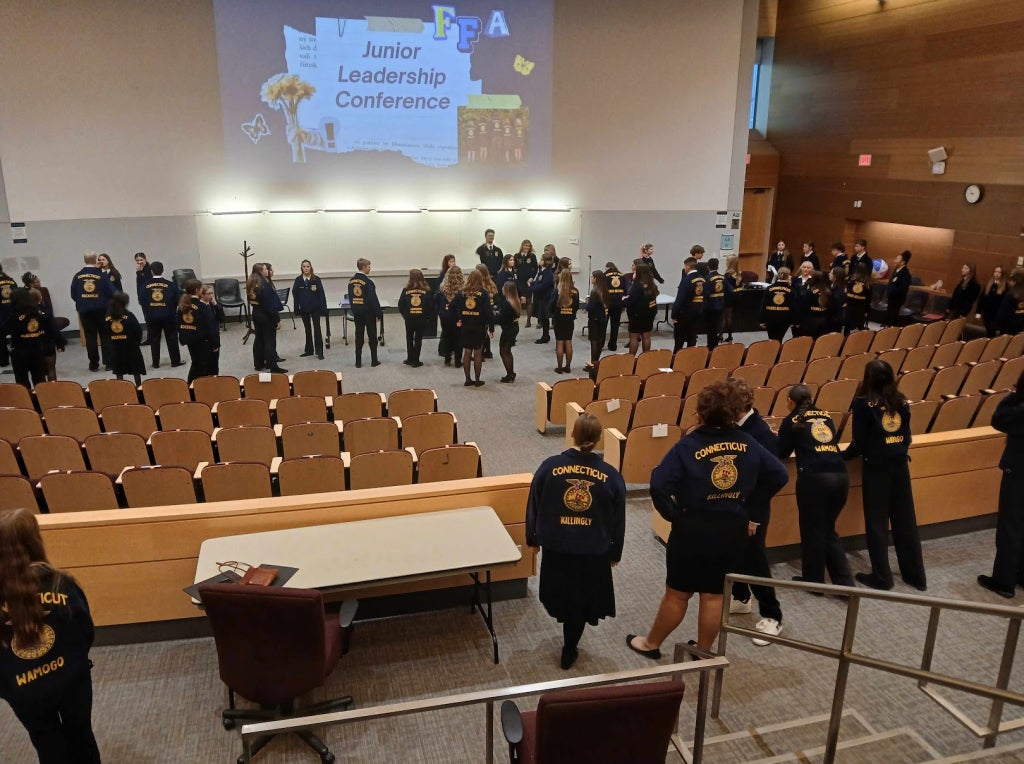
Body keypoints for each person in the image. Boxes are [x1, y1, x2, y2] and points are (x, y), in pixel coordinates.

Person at [626, 381, 788, 658]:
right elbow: (779, 475)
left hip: (693, 530)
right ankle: (703, 652)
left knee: (678, 594)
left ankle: (651, 644)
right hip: (732, 530)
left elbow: (659, 484)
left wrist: (675, 515)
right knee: (714, 595)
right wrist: (748, 506)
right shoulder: (748, 442)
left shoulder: (687, 445)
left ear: (700, 413)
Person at [0, 508, 102, 764]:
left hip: (24, 692)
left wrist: (12, 688)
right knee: (81, 735)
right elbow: (86, 631)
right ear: (35, 541)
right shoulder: (62, 584)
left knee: (47, 744)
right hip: (72, 681)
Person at [527, 414, 626, 669]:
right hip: (593, 552)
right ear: (598, 439)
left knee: (559, 595)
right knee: (581, 602)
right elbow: (618, 519)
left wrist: (532, 537)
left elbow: (534, 503)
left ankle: (569, 642)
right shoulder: (611, 475)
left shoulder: (549, 467)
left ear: (572, 434)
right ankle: (570, 645)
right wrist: (616, 552)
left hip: (557, 547)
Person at [842, 360, 926, 591]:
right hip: (900, 465)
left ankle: (882, 577)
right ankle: (915, 576)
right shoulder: (901, 400)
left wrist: (838, 457)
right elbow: (907, 436)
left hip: (877, 468)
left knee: (877, 523)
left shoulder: (862, 404)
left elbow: (858, 444)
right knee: (905, 521)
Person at [776, 384, 854, 587]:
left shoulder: (791, 420)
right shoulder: (826, 416)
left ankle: (814, 580)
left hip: (815, 479)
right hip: (841, 477)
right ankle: (844, 583)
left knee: (813, 530)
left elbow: (781, 452)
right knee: (828, 529)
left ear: (790, 401)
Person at [727, 379, 785, 646]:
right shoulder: (737, 427)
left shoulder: (759, 434)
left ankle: (773, 616)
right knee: (735, 554)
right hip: (737, 506)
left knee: (756, 561)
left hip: (753, 511)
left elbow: (772, 479)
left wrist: (754, 516)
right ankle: (741, 598)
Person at [978, 369, 1024, 598]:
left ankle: (1004, 581)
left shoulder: (1019, 409)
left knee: (1010, 527)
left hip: (1018, 471)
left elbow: (998, 419)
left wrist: (1018, 395)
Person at [4, 288, 65, 390]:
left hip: (20, 351)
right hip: (37, 349)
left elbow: (5, 330)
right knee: (39, 377)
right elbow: (51, 329)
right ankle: (42, 398)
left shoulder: (14, 316)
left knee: (21, 379)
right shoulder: (40, 312)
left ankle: (26, 400)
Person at [70, 252, 115, 372]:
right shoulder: (101, 275)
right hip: (102, 310)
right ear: (95, 259)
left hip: (85, 311)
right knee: (105, 335)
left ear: (84, 260)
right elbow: (112, 292)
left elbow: (73, 294)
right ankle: (109, 363)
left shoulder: (77, 276)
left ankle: (94, 364)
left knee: (90, 337)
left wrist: (84, 302)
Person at [453, 268, 494, 386]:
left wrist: (458, 318)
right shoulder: (483, 293)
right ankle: (477, 380)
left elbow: (452, 306)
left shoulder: (461, 292)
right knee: (478, 353)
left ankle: (467, 379)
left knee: (467, 352)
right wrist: (491, 327)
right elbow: (488, 312)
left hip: (465, 326)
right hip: (479, 326)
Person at [140, 261, 182, 369]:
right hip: (168, 316)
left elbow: (142, 300)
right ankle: (175, 361)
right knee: (172, 338)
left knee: (154, 339)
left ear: (151, 271)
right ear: (162, 270)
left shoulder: (144, 285)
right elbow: (178, 300)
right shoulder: (171, 285)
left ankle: (155, 363)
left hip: (152, 317)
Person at [177, 279, 219, 383]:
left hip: (190, 340)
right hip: (203, 342)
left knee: (195, 363)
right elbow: (210, 327)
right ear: (197, 290)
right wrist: (215, 344)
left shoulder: (182, 305)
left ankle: (190, 387)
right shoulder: (201, 306)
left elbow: (178, 323)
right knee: (206, 367)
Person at [248, 263, 287, 373]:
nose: (267, 271)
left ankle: (258, 363)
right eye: (265, 269)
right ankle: (272, 365)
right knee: (270, 340)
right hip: (266, 315)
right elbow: (270, 305)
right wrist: (277, 320)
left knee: (259, 339)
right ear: (260, 271)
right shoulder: (264, 284)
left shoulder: (252, 282)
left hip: (256, 313)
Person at [104, 292, 146, 386]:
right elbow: (138, 331)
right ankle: (139, 387)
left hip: (115, 348)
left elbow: (105, 331)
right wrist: (136, 343)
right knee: (136, 370)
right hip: (131, 347)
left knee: (119, 371)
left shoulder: (107, 316)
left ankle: (121, 389)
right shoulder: (129, 316)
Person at [347, 258, 381, 368]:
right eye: (368, 266)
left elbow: (351, 299)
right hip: (369, 314)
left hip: (357, 313)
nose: (370, 268)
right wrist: (378, 314)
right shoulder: (368, 282)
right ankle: (374, 360)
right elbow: (373, 300)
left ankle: (358, 362)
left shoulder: (351, 281)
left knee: (359, 336)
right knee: (372, 337)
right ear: (363, 267)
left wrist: (355, 310)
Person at [292, 259, 327, 360]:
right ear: (301, 268)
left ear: (311, 267)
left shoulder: (316, 279)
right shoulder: (298, 280)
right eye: (304, 266)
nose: (306, 268)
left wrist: (323, 308)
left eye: (308, 266)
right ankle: (309, 350)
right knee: (307, 329)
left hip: (315, 308)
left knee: (317, 329)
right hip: (304, 308)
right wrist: (296, 308)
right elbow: (295, 295)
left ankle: (319, 351)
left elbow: (321, 295)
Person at [398, 269, 432, 368]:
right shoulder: (427, 291)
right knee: (418, 339)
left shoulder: (406, 290)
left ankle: (410, 358)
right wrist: (427, 317)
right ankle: (416, 360)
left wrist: (405, 315)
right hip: (421, 319)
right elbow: (430, 306)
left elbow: (400, 305)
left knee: (409, 338)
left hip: (409, 319)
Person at [625, 261, 659, 355]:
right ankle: (646, 358)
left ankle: (631, 359)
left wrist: (626, 300)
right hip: (650, 312)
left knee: (634, 337)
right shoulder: (651, 284)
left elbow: (632, 301)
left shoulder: (637, 285)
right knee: (646, 336)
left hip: (637, 314)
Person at [550, 270, 580, 374]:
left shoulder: (556, 291)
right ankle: (567, 367)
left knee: (559, 342)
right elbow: (577, 307)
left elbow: (551, 306)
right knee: (568, 341)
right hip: (570, 320)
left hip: (558, 319)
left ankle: (559, 367)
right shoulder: (575, 291)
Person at [436, 266, 464, 367]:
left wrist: (440, 311)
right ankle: (457, 361)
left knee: (446, 337)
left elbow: (435, 300)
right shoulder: (463, 290)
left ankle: (447, 358)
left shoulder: (442, 288)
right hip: (457, 317)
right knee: (458, 338)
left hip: (445, 316)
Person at [703, 258, 731, 351]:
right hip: (720, 306)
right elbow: (730, 290)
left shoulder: (707, 279)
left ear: (708, 267)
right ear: (718, 266)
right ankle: (715, 346)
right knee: (717, 326)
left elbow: (705, 294)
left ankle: (711, 346)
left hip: (710, 307)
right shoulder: (723, 277)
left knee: (710, 328)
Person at [583, 271, 608, 373]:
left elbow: (591, 307)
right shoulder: (605, 289)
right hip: (603, 318)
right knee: (600, 341)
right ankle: (597, 363)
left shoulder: (594, 291)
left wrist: (586, 303)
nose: (591, 279)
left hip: (594, 319)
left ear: (596, 278)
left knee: (594, 342)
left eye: (592, 277)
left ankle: (592, 365)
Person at [760, 267, 793, 342]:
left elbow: (763, 305)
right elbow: (793, 306)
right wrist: (794, 320)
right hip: (784, 319)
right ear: (788, 276)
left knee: (772, 338)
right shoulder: (791, 290)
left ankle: (773, 352)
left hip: (770, 318)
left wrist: (762, 320)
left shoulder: (769, 288)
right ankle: (777, 352)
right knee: (779, 338)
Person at [496, 281, 520, 383]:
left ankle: (509, 375)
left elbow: (502, 319)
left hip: (508, 329)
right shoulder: (515, 300)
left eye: (503, 288)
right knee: (508, 351)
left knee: (503, 351)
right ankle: (511, 372)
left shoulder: (507, 303)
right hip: (514, 327)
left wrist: (495, 315)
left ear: (508, 290)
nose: (501, 289)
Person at [603, 261, 629, 351]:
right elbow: (626, 290)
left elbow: (602, 290)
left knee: (604, 325)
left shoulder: (604, 275)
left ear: (606, 268)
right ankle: (613, 345)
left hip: (607, 303)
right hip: (618, 303)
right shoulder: (622, 276)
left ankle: (601, 344)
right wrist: (624, 305)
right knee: (615, 325)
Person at [531, 251, 555, 344]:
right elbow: (537, 281)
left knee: (545, 317)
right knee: (542, 318)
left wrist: (533, 288)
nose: (540, 261)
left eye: (541, 259)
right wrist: (533, 283)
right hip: (540, 298)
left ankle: (546, 336)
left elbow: (544, 285)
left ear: (546, 261)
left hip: (545, 298)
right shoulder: (542, 271)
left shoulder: (548, 273)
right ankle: (545, 335)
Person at [476, 264, 499, 360]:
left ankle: (481, 353)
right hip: (491, 310)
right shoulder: (492, 283)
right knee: (485, 332)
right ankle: (488, 351)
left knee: (481, 333)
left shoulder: (480, 285)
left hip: (483, 311)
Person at [199, 286, 222, 376]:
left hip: (215, 336)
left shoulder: (212, 304)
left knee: (215, 361)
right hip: (208, 340)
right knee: (209, 363)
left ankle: (215, 377)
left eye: (212, 293)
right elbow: (207, 325)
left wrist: (216, 305)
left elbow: (221, 318)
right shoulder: (200, 307)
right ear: (202, 295)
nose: (211, 296)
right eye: (209, 294)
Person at [513, 241, 538, 326]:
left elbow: (535, 268)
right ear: (522, 246)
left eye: (528, 246)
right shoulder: (517, 256)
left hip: (528, 281)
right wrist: (515, 275)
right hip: (519, 281)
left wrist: (532, 278)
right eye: (525, 245)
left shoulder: (532, 256)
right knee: (518, 300)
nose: (527, 247)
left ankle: (528, 320)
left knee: (529, 301)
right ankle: (516, 318)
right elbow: (514, 267)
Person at [979, 265, 1007, 338]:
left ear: (1002, 274)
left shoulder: (1005, 286)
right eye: (995, 272)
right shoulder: (989, 283)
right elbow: (982, 298)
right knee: (988, 330)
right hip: (987, 312)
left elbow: (1004, 302)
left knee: (992, 331)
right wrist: (978, 311)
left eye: (999, 272)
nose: (997, 273)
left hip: (996, 314)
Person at [885, 250, 912, 326]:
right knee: (889, 314)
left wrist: (893, 292)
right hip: (891, 297)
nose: (896, 259)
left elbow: (903, 289)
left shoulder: (905, 273)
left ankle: (892, 329)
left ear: (902, 262)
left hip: (897, 299)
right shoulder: (896, 269)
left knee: (893, 315)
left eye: (898, 258)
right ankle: (887, 327)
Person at [800, 272, 830, 339]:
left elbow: (804, 307)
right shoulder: (827, 291)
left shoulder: (809, 292)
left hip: (811, 321)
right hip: (824, 320)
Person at [844, 262, 872, 335]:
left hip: (849, 307)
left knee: (847, 327)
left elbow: (845, 293)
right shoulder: (868, 283)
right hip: (860, 308)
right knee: (860, 326)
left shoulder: (850, 280)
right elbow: (869, 299)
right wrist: (867, 311)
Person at [996, 267, 1024, 335]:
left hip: (1008, 328)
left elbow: (1002, 315)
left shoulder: (1011, 294)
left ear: (1014, 280)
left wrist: (997, 325)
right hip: (1021, 329)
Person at [0, 265, 18, 368]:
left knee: (1, 339)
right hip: (12, 312)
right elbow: (17, 295)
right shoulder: (11, 281)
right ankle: (17, 358)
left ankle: (3, 361)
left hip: (1, 314)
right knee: (15, 335)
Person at [722, 255, 743, 343]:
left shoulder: (728, 275)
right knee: (730, 316)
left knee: (725, 316)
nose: (726, 262)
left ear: (730, 263)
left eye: (727, 260)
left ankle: (721, 335)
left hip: (728, 297)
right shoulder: (739, 273)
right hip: (737, 297)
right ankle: (730, 336)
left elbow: (725, 288)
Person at [133, 252, 152, 344]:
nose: (139, 262)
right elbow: (139, 286)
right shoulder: (140, 270)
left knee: (149, 318)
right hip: (143, 297)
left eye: (141, 260)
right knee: (147, 317)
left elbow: (146, 284)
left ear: (145, 259)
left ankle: (150, 338)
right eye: (137, 260)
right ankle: (151, 337)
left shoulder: (149, 269)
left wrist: (139, 272)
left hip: (149, 298)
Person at [827, 267, 848, 335]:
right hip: (832, 318)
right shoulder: (832, 285)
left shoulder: (838, 290)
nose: (829, 274)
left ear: (835, 276)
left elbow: (835, 306)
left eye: (831, 273)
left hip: (834, 319)